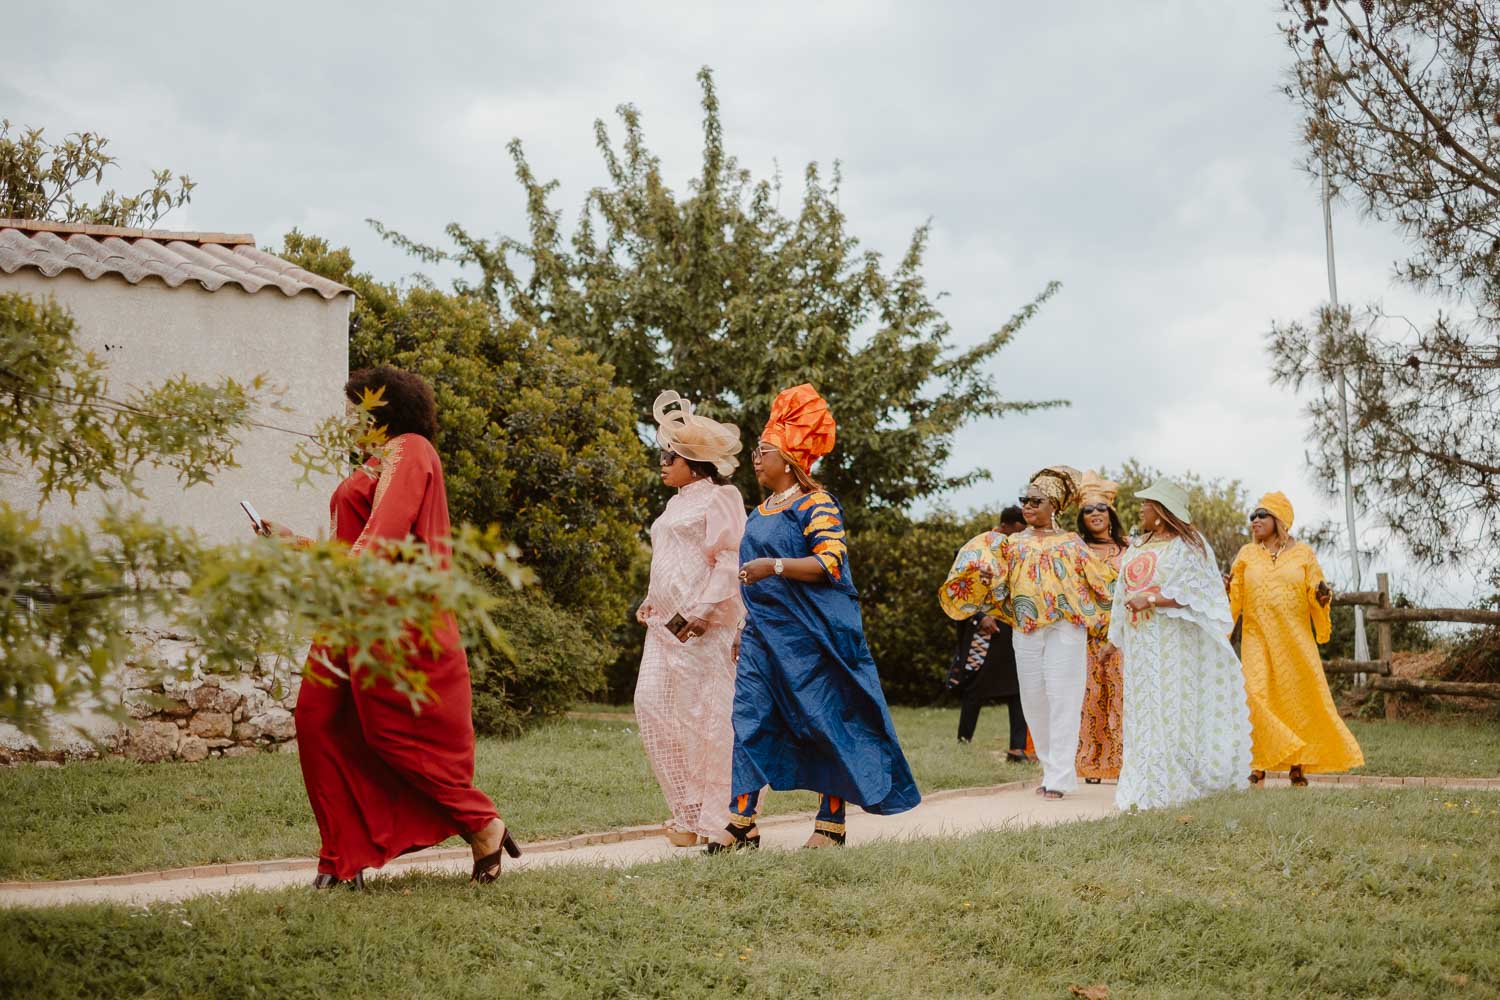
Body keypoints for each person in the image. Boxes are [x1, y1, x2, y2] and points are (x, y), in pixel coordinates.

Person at [259, 366, 516, 888]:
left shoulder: (411, 449)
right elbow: (357, 543)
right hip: (349, 611)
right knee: (316, 722)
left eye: (357, 407)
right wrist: (294, 543)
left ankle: (482, 822)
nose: (350, 418)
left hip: (390, 616)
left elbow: (382, 543)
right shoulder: (376, 463)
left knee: (390, 734)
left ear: (383, 408)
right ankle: (340, 856)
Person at [723, 384, 920, 851]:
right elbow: (751, 582)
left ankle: (830, 824)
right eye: (755, 450)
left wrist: (772, 567)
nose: (755, 458)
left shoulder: (817, 503)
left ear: (789, 459)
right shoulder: (760, 510)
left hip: (811, 641)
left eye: (764, 450)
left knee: (823, 723)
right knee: (749, 720)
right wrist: (740, 624)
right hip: (761, 638)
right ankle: (740, 822)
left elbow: (830, 562)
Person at [940, 467, 1115, 800]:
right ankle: (1050, 770)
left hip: (1066, 628)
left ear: (1054, 506)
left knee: (1064, 698)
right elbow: (999, 585)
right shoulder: (1011, 544)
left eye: (1036, 500)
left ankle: (1061, 777)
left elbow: (1103, 582)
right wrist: (987, 574)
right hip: (1026, 629)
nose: (1027, 506)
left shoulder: (1072, 544)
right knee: (1034, 700)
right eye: (1024, 499)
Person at [634, 391, 746, 849]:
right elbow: (670, 559)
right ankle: (686, 807)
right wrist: (650, 598)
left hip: (702, 628)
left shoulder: (720, 497)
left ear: (694, 462)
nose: (662, 463)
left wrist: (701, 612)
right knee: (654, 707)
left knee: (708, 720)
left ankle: (718, 819)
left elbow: (728, 559)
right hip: (664, 628)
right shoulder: (674, 503)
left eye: (671, 456)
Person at [1110, 480, 1252, 810]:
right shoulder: (1137, 546)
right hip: (1141, 641)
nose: (1141, 509)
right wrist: (1113, 637)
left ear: (1161, 511)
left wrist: (1152, 599)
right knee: (1142, 711)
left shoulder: (1188, 546)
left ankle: (1172, 784)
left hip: (1172, 641)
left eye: (1147, 505)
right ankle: (1142, 784)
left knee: (1169, 708)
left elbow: (1200, 592)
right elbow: (1121, 592)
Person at [1229, 491, 1363, 786]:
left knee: (1297, 699)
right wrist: (1223, 628)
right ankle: (1258, 763)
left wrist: (1322, 596)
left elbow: (1316, 590)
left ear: (1279, 520)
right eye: (1252, 516)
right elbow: (1234, 596)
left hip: (1294, 639)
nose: (1254, 521)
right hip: (1257, 638)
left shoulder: (1303, 554)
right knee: (1255, 694)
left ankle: (1297, 765)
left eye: (1261, 515)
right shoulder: (1246, 555)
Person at [951, 506, 1029, 758]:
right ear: (1006, 526)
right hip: (982, 630)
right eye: (1019, 529)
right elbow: (957, 587)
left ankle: (1017, 748)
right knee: (975, 686)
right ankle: (964, 741)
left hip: (1013, 626)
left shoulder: (1016, 549)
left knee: (1018, 688)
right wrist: (979, 616)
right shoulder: (976, 548)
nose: (1021, 534)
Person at [1074, 471, 1126, 784]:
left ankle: (1122, 762)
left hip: (1123, 637)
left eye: (1100, 509)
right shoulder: (1076, 551)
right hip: (1087, 636)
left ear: (1111, 514)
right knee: (1090, 697)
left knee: (1122, 696)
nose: (1095, 514)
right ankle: (1090, 763)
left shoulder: (1130, 549)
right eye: (1088, 510)